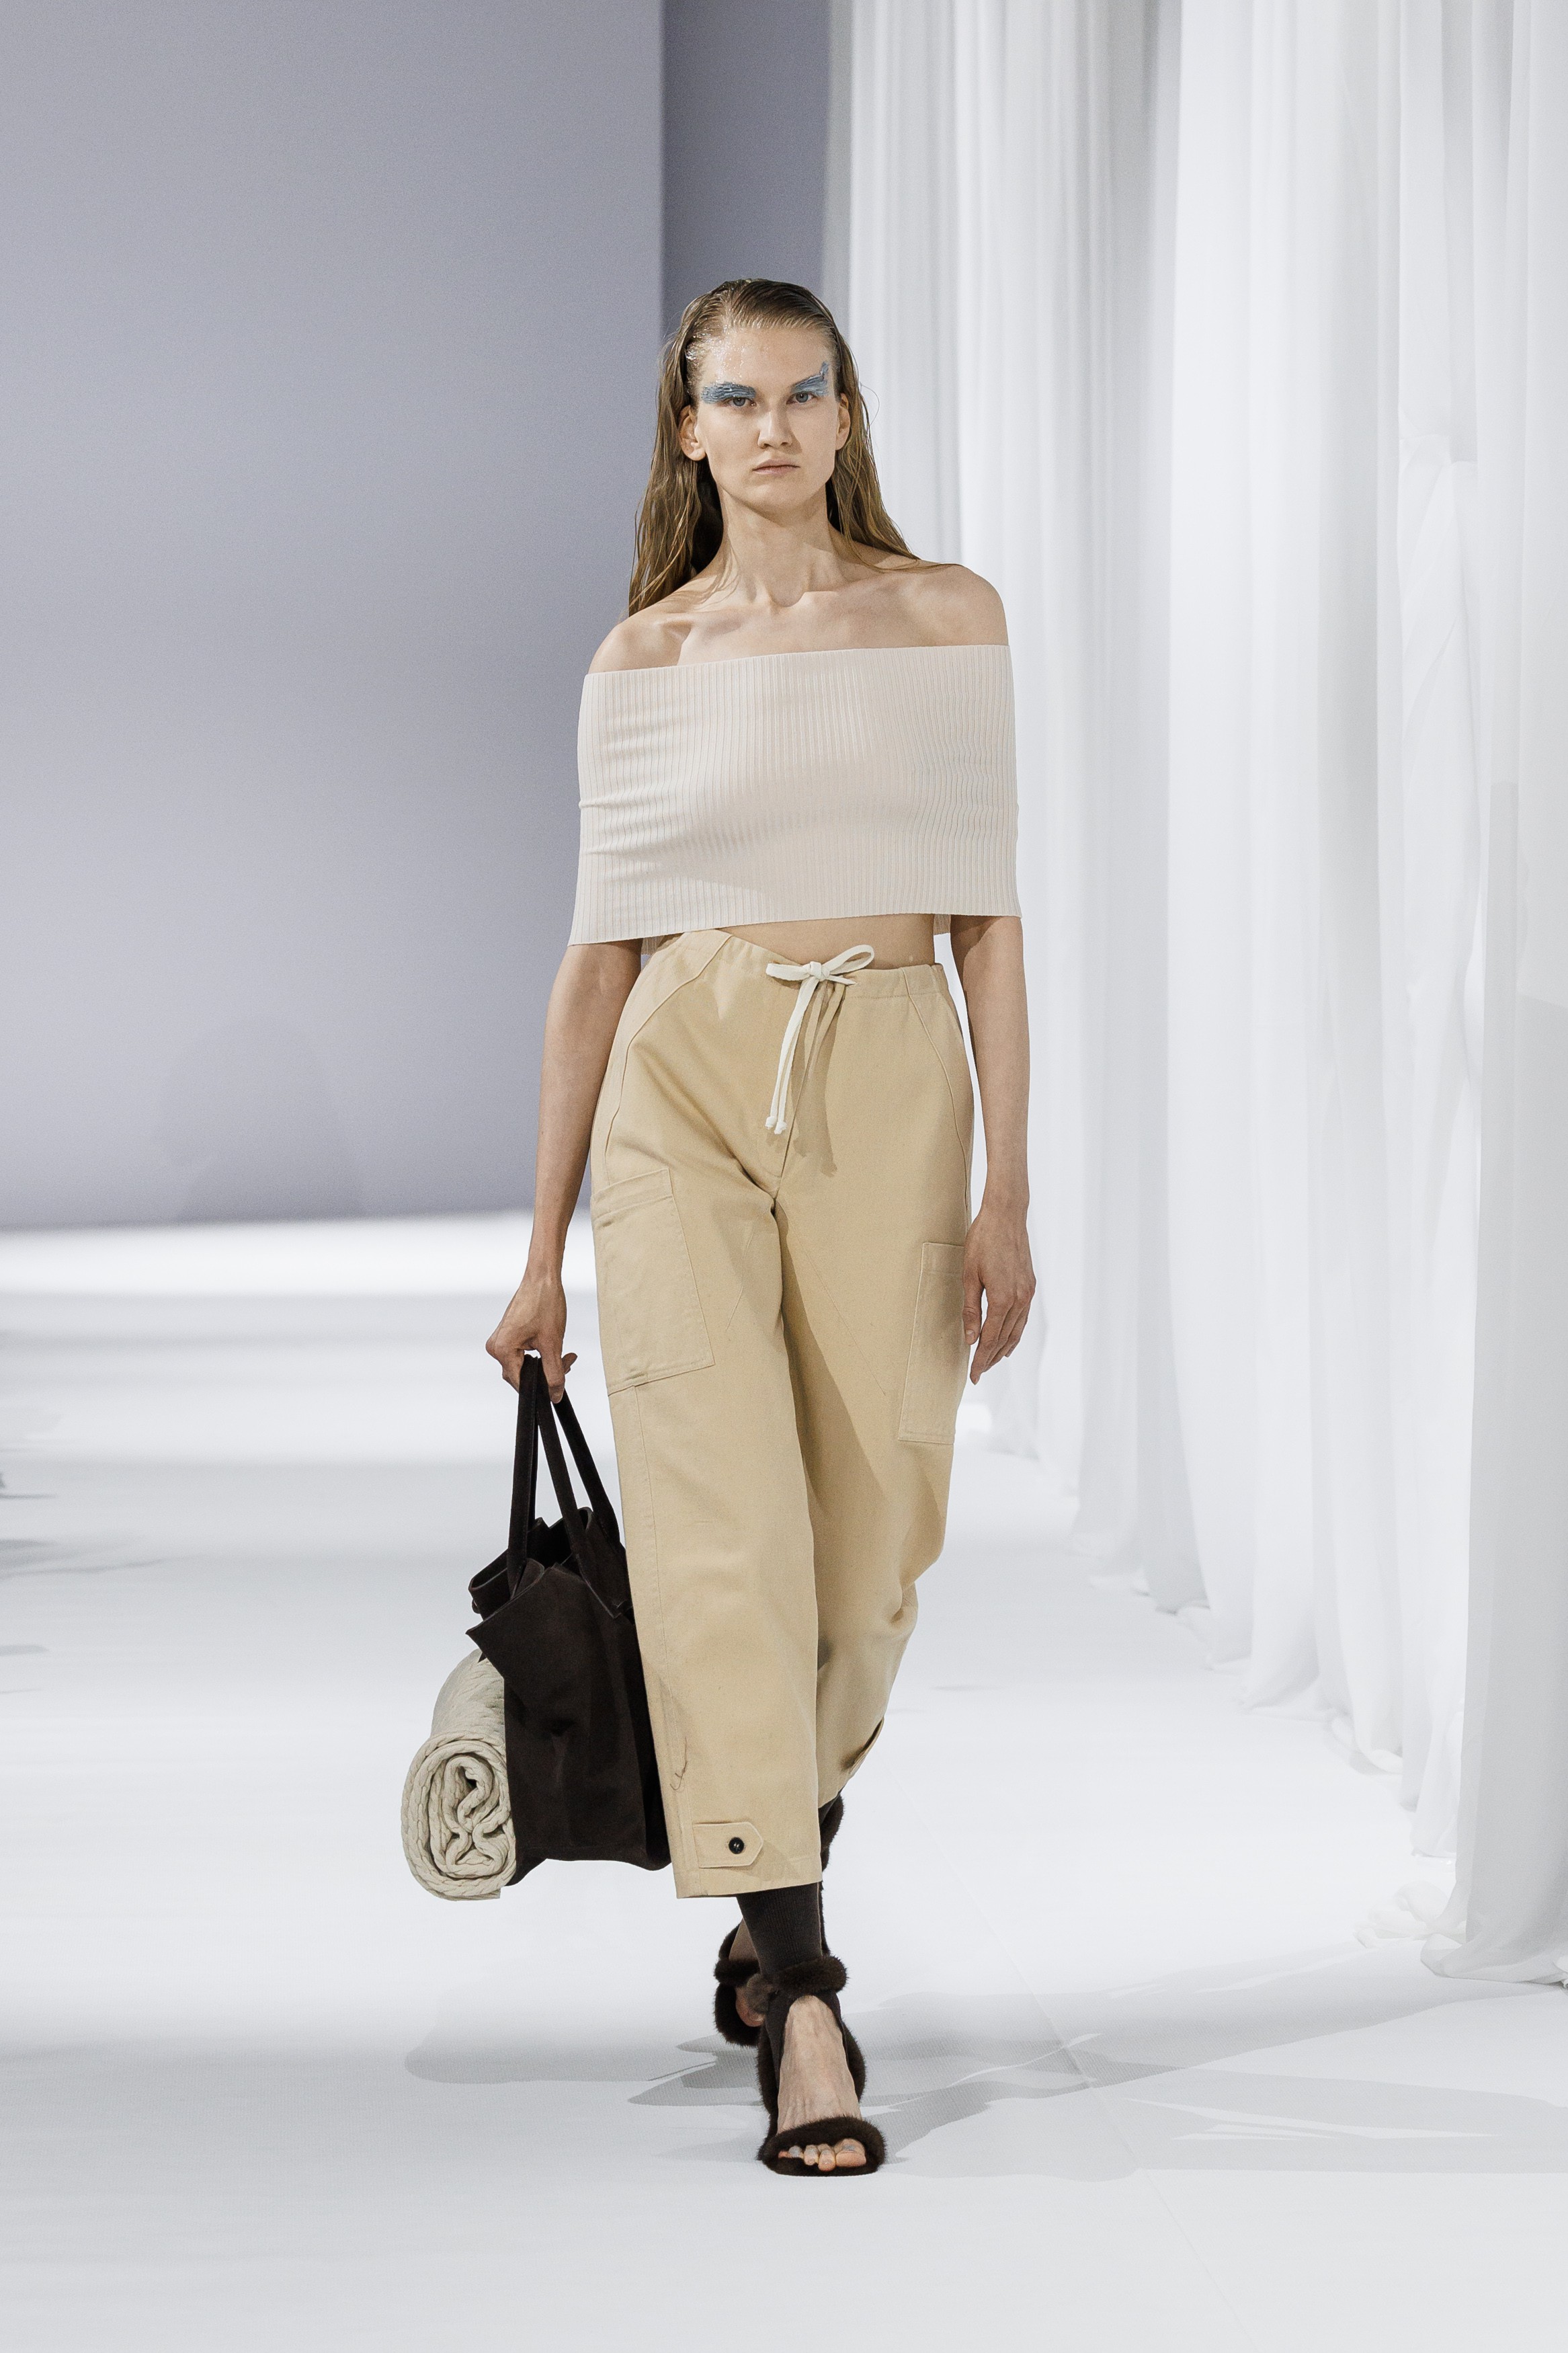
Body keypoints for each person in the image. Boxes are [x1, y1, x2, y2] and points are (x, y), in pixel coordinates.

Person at [487, 279, 1034, 2176]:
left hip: (890, 1063)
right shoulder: (643, 659)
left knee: (873, 1539)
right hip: (688, 1077)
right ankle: (802, 1987)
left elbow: (988, 919)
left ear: (848, 414)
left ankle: (770, 1851)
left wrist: (1011, 1189)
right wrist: (540, 1250)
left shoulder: (947, 616)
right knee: (721, 1525)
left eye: (808, 393)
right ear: (690, 428)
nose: (777, 426)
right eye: (739, 396)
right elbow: (597, 959)